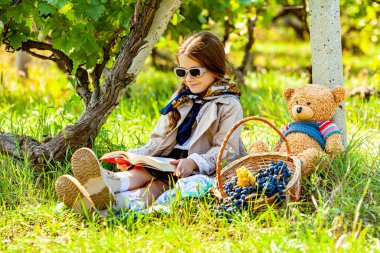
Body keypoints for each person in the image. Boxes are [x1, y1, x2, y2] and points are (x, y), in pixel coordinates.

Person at [55, 31, 245, 215]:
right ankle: (107, 183)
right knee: (143, 170)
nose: (188, 79)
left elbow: (226, 151)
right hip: (170, 160)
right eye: (182, 72)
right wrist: (133, 157)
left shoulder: (228, 104)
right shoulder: (182, 99)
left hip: (199, 167)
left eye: (195, 72)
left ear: (215, 68)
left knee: (159, 186)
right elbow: (159, 138)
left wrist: (194, 163)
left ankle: (114, 205)